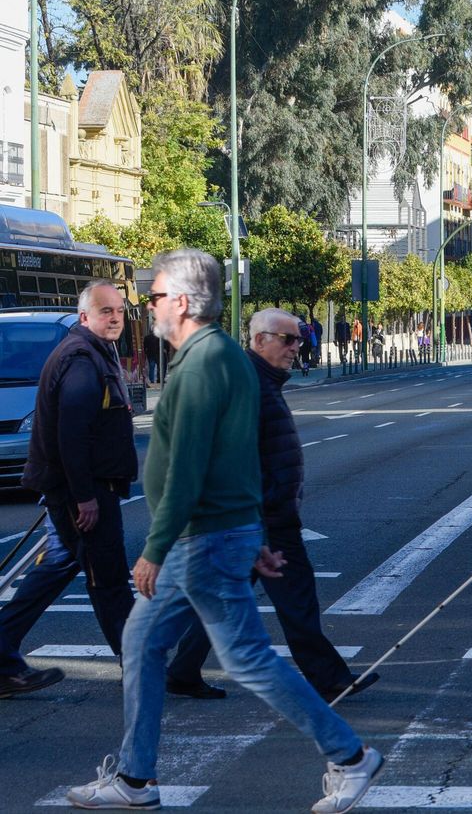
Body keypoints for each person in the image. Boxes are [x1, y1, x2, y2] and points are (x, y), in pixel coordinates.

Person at [64, 249, 383, 813]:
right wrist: (252, 533)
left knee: (246, 659)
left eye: (156, 297)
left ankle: (351, 756)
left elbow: (190, 463)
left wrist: (154, 549)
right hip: (217, 531)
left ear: (182, 302)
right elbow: (236, 456)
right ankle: (136, 779)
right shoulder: (218, 359)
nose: (150, 307)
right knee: (143, 643)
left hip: (200, 537)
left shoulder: (205, 364)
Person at [165, 308, 380, 703]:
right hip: (265, 517)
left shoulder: (260, 381)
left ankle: (181, 670)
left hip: (259, 515)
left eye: (299, 339)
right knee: (296, 597)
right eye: (288, 339)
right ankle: (329, 677)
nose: (297, 347)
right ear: (260, 340)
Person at [0, 282, 138, 699]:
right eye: (104, 311)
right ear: (84, 317)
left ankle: (1, 655)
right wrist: (84, 497)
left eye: (118, 310)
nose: (114, 317)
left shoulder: (94, 352)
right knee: (109, 580)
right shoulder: (81, 359)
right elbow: (72, 435)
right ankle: (139, 664)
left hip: (80, 488)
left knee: (58, 567)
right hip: (85, 491)